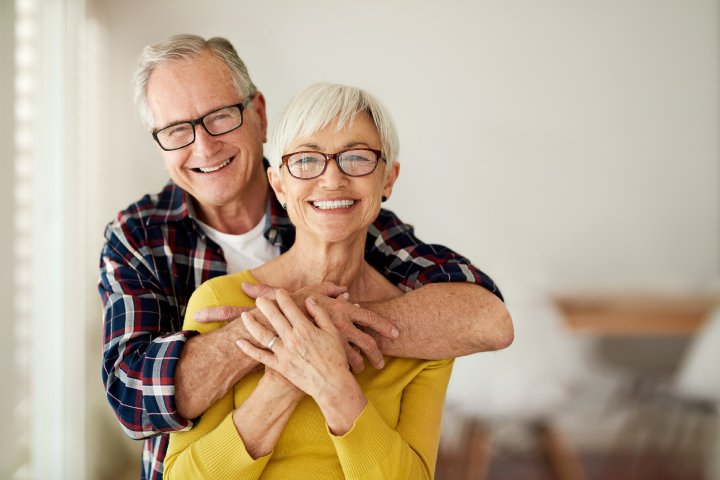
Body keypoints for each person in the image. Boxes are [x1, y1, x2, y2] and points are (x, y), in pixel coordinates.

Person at [99, 34, 512, 480]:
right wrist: (280, 334)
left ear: (257, 114)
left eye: (219, 116)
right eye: (177, 130)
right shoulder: (140, 236)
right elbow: (133, 399)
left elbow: (485, 316)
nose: (204, 147)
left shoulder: (338, 211)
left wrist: (321, 326)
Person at [164, 82, 455, 479]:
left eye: (356, 158)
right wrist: (284, 379)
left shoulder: (427, 333)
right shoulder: (218, 301)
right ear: (279, 184)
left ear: (388, 179)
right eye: (306, 160)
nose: (332, 179)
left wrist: (332, 383)